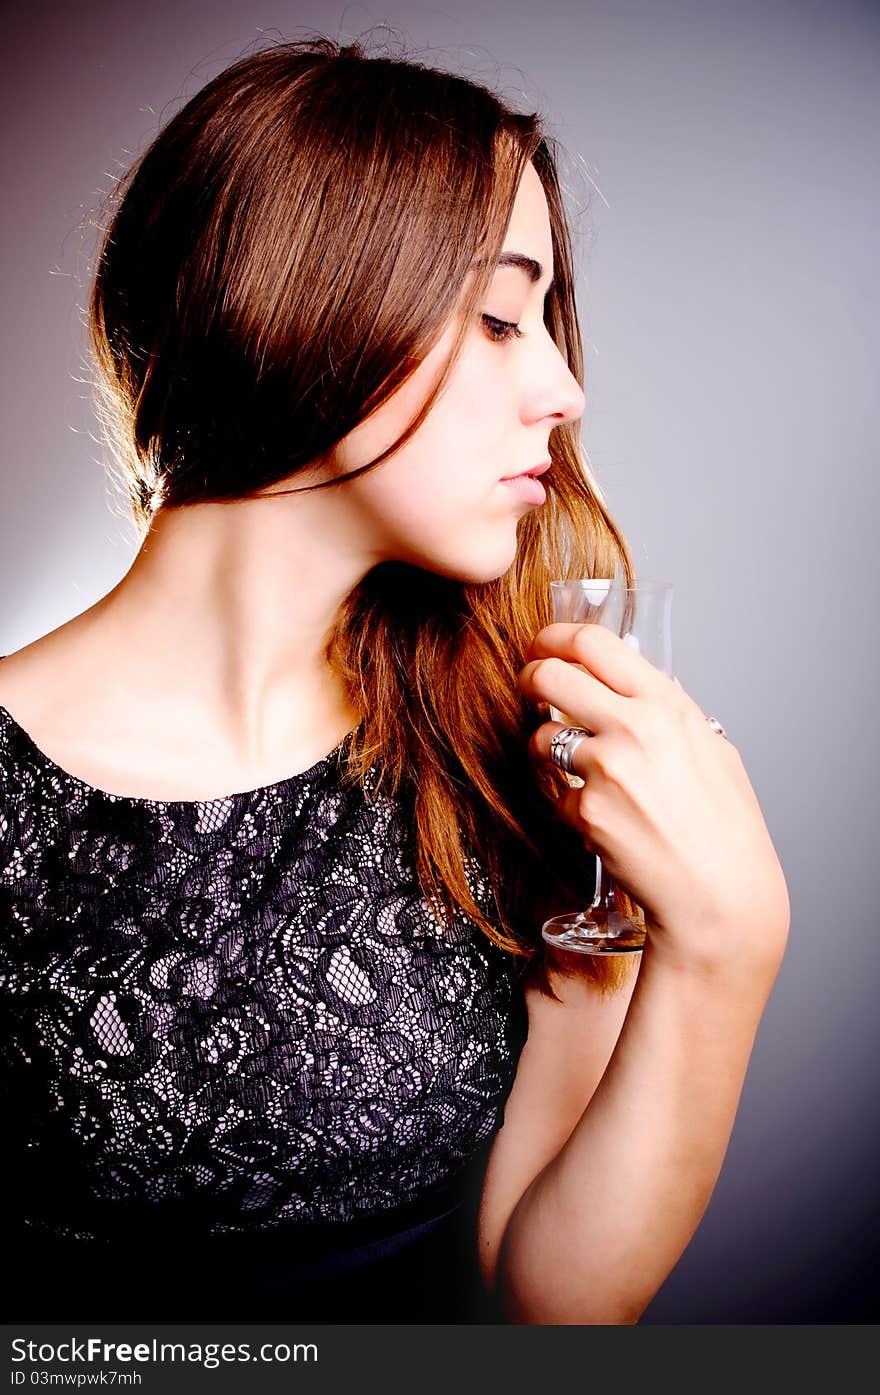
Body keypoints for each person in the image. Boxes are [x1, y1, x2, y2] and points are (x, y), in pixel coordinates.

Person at [0, 35, 789, 1325]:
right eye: (494, 315)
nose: (565, 387)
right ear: (294, 297)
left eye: (544, 319)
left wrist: (727, 950)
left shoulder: (497, 743)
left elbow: (555, 1308)